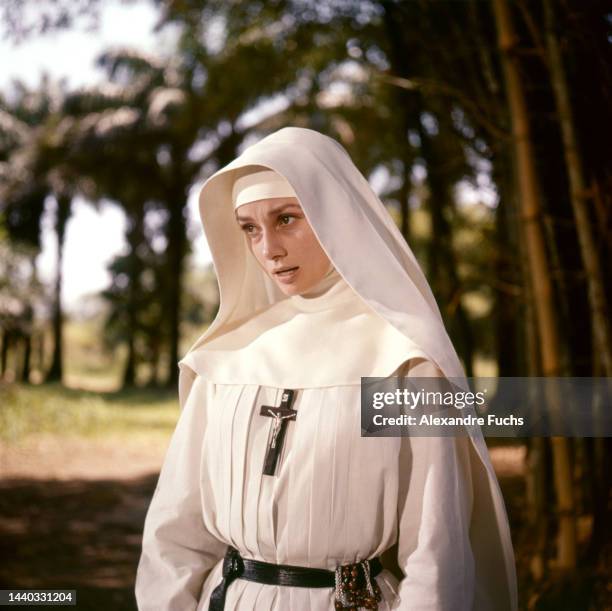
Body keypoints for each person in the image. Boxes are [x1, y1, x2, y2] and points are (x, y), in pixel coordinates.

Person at [135, 127, 517, 610]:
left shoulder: (405, 360)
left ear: (337, 218)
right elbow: (175, 532)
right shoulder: (225, 357)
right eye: (249, 228)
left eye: (287, 219)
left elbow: (435, 550)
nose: (269, 248)